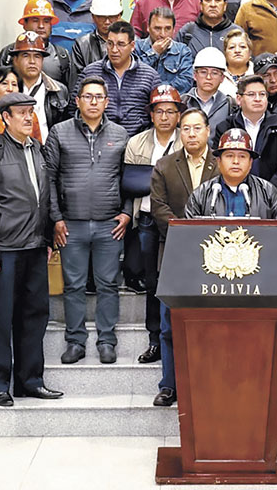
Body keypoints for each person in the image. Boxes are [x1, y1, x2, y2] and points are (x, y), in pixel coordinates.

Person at [0, 92, 63, 406]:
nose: (27, 118)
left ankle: (30, 381)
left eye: (30, 113)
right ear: (5, 117)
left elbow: (45, 197)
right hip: (3, 251)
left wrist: (47, 238)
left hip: (35, 247)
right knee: (2, 318)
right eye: (20, 113)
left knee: (35, 316)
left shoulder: (37, 149)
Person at [44, 76, 131, 365]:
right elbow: (49, 178)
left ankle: (107, 341)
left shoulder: (121, 134)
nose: (93, 102)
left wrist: (127, 212)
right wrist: (56, 218)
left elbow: (129, 178)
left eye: (99, 97)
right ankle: (75, 341)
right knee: (74, 285)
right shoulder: (59, 132)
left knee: (108, 284)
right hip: (72, 224)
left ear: (107, 102)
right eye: (88, 96)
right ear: (77, 100)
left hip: (110, 224)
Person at [148, 108, 219, 407]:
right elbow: (158, 207)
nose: (191, 134)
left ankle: (208, 381)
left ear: (207, 131)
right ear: (180, 132)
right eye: (186, 129)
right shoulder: (164, 166)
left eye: (197, 128)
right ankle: (169, 384)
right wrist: (187, 231)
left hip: (216, 256)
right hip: (175, 253)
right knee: (170, 324)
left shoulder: (223, 163)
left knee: (210, 324)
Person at [122, 85, 184, 365]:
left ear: (179, 115)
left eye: (171, 111)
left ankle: (180, 337)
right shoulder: (137, 143)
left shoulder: (187, 140)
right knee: (153, 283)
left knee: (181, 282)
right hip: (147, 220)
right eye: (159, 111)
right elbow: (130, 184)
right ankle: (155, 340)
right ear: (151, 113)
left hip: (180, 222)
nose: (164, 117)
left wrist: (152, 180)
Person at [212, 75, 277, 194]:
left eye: (262, 94)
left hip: (273, 193)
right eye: (251, 94)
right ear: (239, 99)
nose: (258, 99)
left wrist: (268, 190)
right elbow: (218, 162)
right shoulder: (225, 127)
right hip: (234, 192)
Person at [73, 21, 162, 135]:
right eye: (110, 44)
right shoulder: (90, 72)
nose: (114, 50)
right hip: (97, 140)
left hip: (137, 142)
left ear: (132, 46)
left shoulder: (150, 76)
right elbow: (74, 109)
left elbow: (158, 113)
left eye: (121, 44)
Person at [185, 128, 277, 219]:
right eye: (229, 156)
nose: (235, 161)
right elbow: (190, 234)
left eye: (242, 156)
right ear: (219, 161)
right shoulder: (201, 194)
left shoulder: (268, 192)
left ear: (250, 162)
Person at [0, 0, 76, 93]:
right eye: (35, 20)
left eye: (46, 21)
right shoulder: (9, 53)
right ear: (24, 24)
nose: (41, 26)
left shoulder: (62, 55)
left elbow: (71, 93)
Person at [6, 31, 69, 145]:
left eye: (37, 56)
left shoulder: (59, 91)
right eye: (26, 55)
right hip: (12, 152)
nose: (32, 61)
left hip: (47, 153)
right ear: (15, 60)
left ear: (43, 60)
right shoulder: (7, 89)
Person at [133, 7, 195, 94]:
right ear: (148, 27)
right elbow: (132, 76)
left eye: (167, 29)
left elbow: (186, 82)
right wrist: (153, 53)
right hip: (141, 101)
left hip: (171, 101)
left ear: (174, 30)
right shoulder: (136, 47)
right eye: (157, 28)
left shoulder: (183, 51)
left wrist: (160, 91)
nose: (162, 34)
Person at [177, 0, 242, 55]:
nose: (213, 5)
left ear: (225, 5)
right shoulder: (188, 31)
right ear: (201, 5)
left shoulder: (236, 32)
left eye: (217, 0)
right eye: (208, 0)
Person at [183, 47, 236, 130]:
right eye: (203, 72)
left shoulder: (231, 105)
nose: (208, 77)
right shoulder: (183, 102)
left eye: (214, 73)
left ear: (222, 78)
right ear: (195, 75)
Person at [72, 0, 123, 71]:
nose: (107, 22)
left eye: (111, 17)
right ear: (93, 17)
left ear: (118, 16)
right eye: (102, 17)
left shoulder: (131, 43)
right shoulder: (82, 44)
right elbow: (77, 79)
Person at [218, 30, 254, 97]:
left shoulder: (258, 73)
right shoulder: (217, 75)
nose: (237, 51)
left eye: (242, 47)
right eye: (232, 47)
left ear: (250, 52)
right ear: (225, 53)